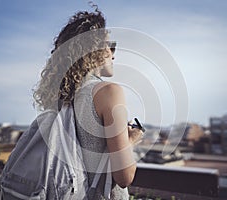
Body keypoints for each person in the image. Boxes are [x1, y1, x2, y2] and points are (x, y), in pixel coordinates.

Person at [33, 7, 143, 200]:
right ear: (95, 49)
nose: (114, 54)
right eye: (111, 46)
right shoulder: (109, 92)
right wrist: (131, 140)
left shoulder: (62, 97)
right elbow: (124, 176)